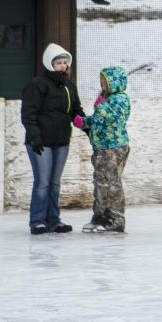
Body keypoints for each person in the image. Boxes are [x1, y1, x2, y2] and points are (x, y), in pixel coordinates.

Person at [20, 43, 85, 235]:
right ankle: (38, 221)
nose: (62, 66)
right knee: (43, 182)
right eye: (58, 62)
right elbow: (28, 114)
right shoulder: (37, 84)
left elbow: (76, 111)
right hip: (41, 142)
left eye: (65, 62)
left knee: (55, 182)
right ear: (50, 63)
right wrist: (35, 137)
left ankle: (54, 220)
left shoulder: (68, 85)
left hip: (61, 140)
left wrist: (87, 125)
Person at [74, 67, 131, 233]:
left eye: (106, 81)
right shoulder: (105, 98)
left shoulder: (120, 99)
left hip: (114, 147)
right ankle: (100, 216)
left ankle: (116, 219)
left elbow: (116, 118)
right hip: (101, 147)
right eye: (102, 81)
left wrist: (102, 106)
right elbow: (98, 120)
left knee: (112, 184)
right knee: (100, 183)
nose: (103, 84)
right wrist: (84, 122)